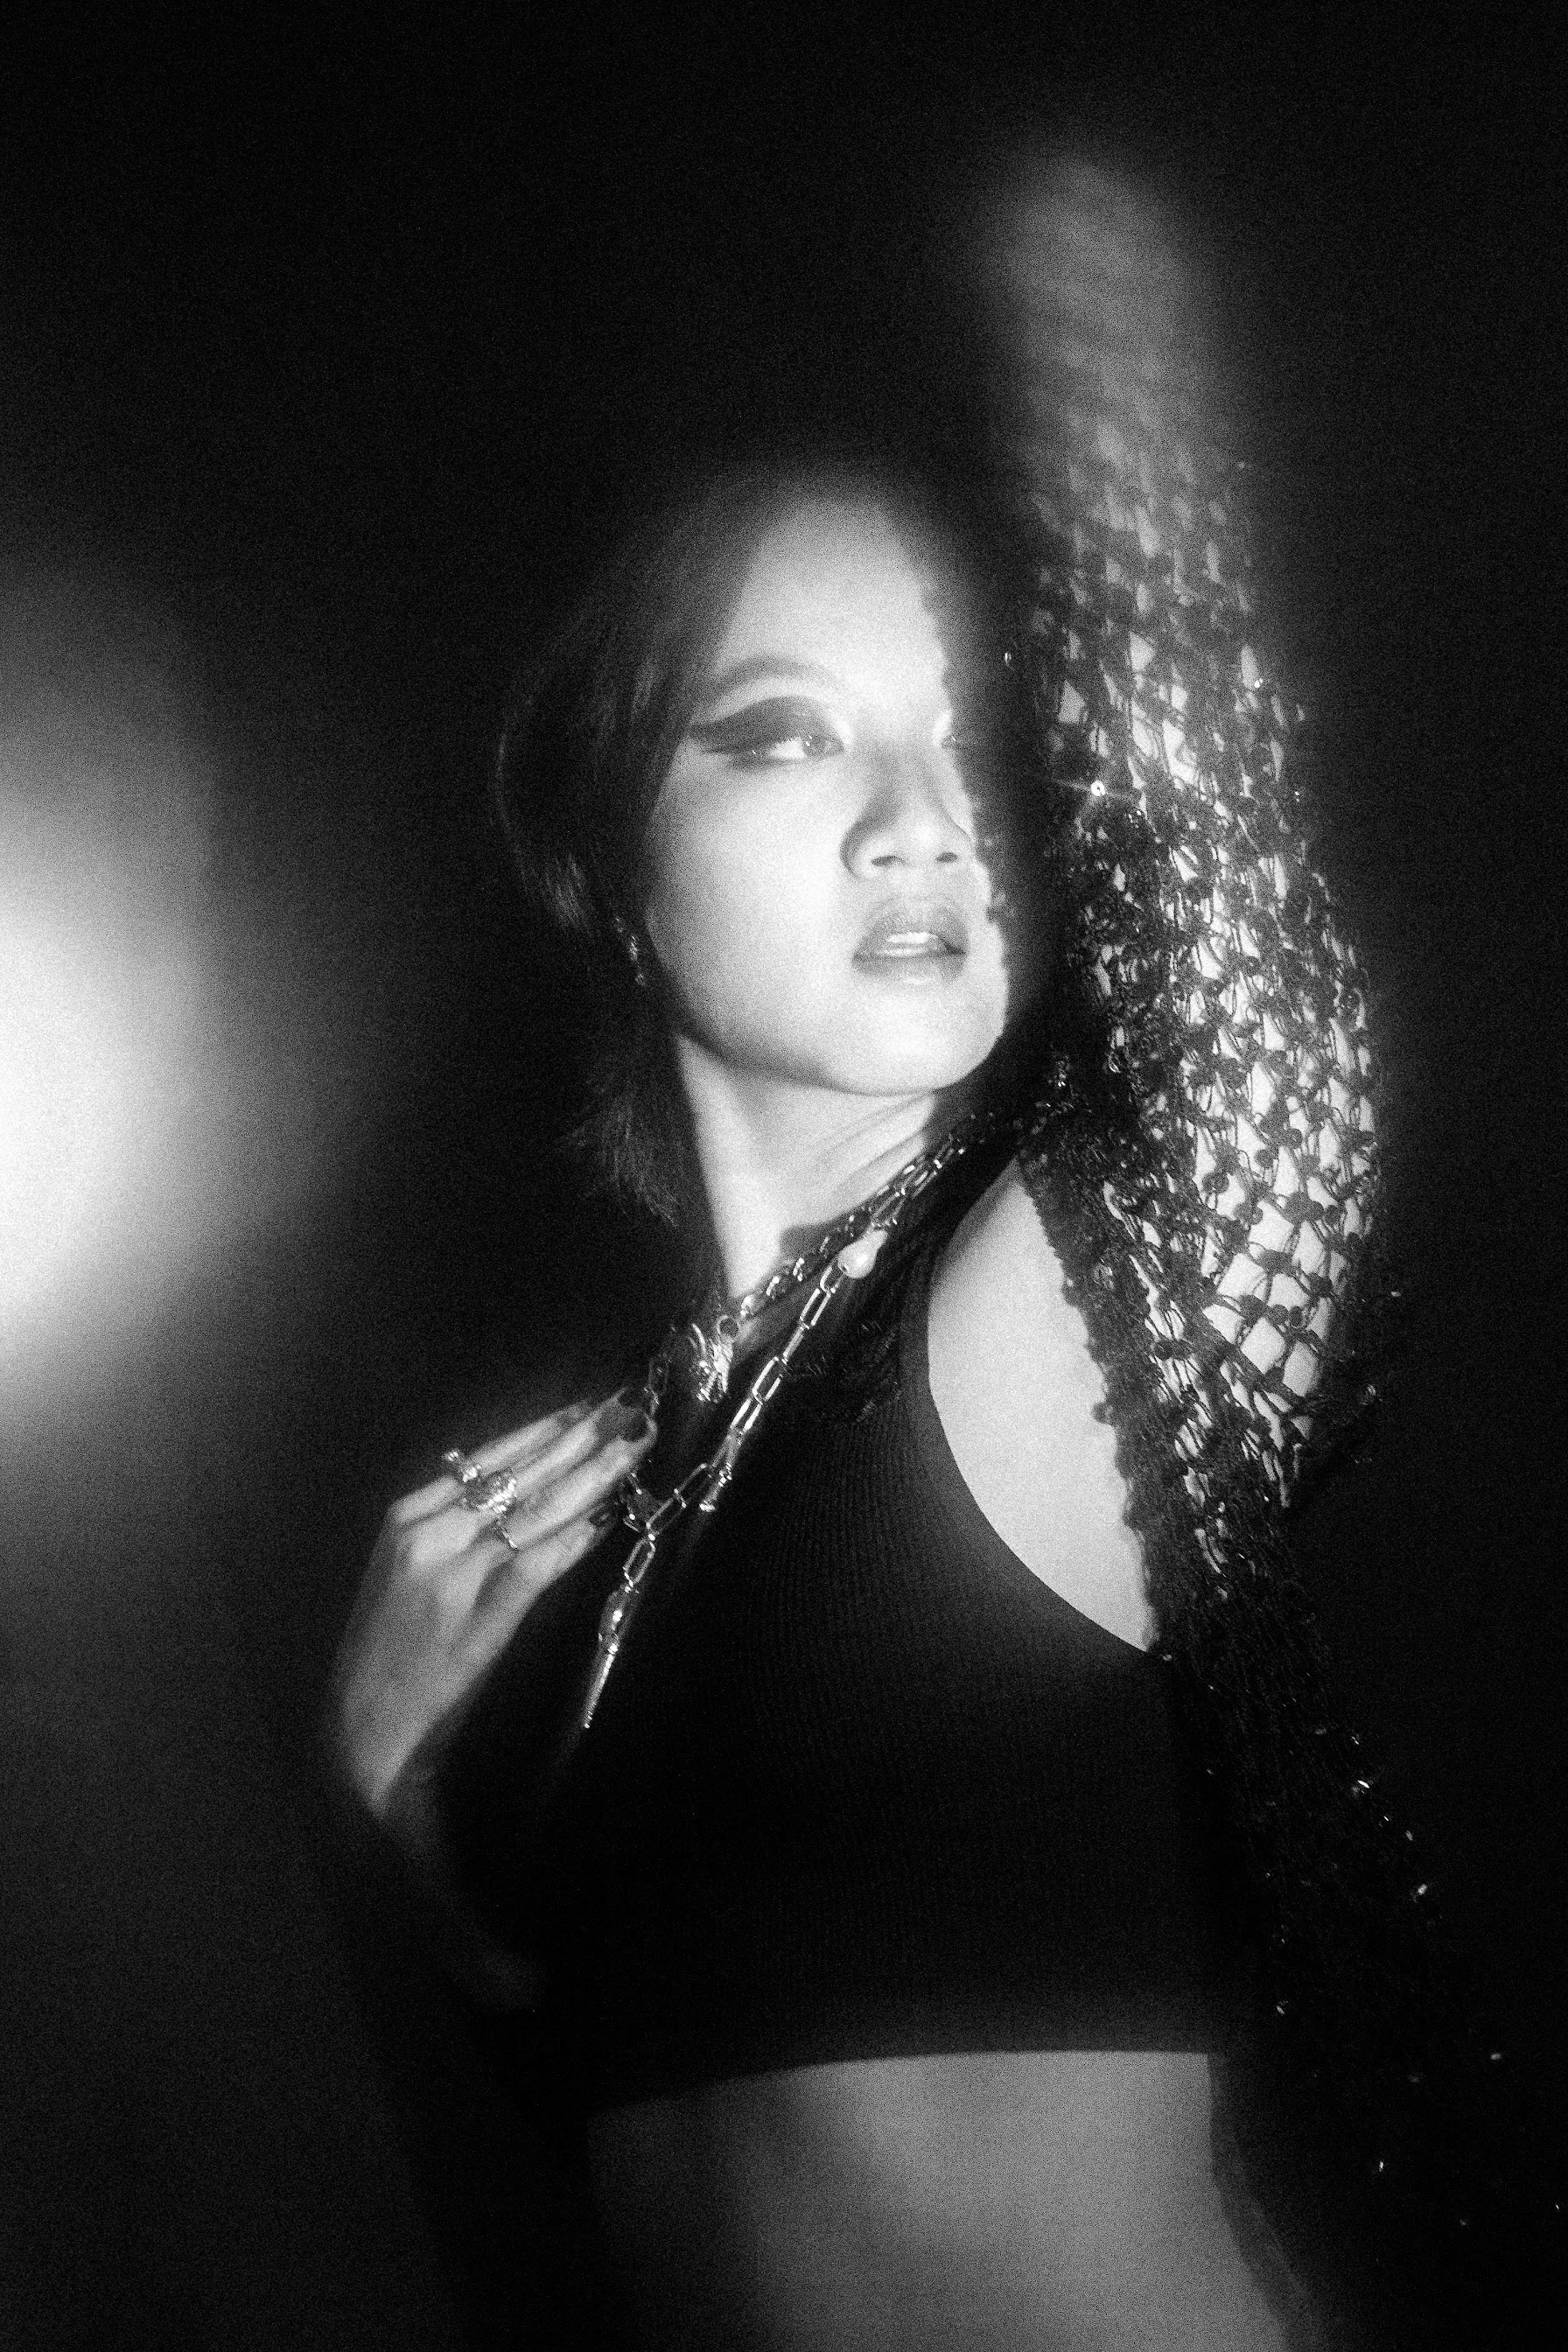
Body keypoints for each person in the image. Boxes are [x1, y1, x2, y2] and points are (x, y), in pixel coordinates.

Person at [329, 184, 1551, 2348]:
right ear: (603, 863)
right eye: (783, 729)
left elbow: (1256, 1001)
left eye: (972, 731)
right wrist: (401, 1803)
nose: (925, 814)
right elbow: (617, 2084)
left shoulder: (1057, 1287)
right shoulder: (624, 1478)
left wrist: (1084, 284)